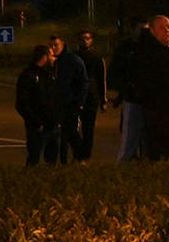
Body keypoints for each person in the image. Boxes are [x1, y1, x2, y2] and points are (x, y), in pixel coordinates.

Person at [134, 15, 169, 162]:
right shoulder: (147, 54)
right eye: (162, 27)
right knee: (158, 152)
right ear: (152, 31)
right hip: (158, 112)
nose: (167, 30)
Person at [111, 17, 150, 161]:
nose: (144, 33)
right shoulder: (125, 48)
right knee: (130, 135)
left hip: (148, 100)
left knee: (147, 137)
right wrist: (125, 88)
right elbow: (116, 72)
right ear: (133, 30)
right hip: (132, 98)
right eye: (142, 29)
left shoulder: (150, 47)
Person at [14, 44, 58, 166]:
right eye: (51, 55)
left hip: (52, 125)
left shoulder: (50, 75)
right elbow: (21, 103)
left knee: (52, 160)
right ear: (45, 57)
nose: (54, 58)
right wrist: (35, 122)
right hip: (38, 127)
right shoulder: (28, 76)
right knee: (34, 158)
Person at [48, 33, 88, 164]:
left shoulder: (72, 60)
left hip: (71, 103)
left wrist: (79, 102)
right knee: (61, 134)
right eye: (51, 46)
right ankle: (62, 160)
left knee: (71, 132)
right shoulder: (54, 62)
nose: (53, 48)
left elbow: (83, 82)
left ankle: (80, 157)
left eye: (56, 45)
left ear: (63, 44)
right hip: (58, 104)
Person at [73, 28, 107, 161]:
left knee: (88, 127)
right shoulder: (73, 56)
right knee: (73, 126)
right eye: (82, 38)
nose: (85, 41)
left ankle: (85, 154)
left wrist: (103, 99)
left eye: (87, 38)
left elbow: (101, 79)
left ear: (91, 40)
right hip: (75, 95)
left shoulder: (97, 58)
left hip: (91, 96)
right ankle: (78, 151)